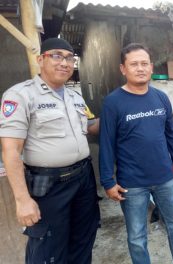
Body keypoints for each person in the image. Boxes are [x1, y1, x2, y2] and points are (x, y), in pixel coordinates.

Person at [0, 38, 100, 263]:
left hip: (83, 178)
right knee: (48, 247)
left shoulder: (75, 97)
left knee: (84, 237)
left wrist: (119, 113)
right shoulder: (20, 95)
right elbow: (11, 151)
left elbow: (90, 127)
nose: (64, 63)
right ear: (40, 60)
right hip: (49, 185)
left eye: (69, 58)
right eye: (56, 55)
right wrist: (23, 200)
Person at [99, 43, 173, 264]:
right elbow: (106, 143)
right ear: (123, 69)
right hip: (132, 184)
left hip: (165, 179)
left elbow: (172, 134)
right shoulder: (113, 102)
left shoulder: (161, 98)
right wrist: (107, 181)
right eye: (134, 64)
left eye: (144, 63)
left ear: (151, 67)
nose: (140, 68)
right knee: (137, 237)